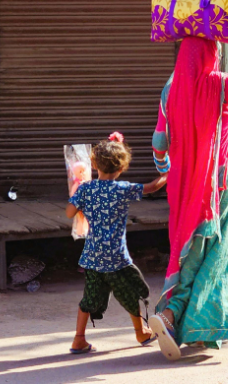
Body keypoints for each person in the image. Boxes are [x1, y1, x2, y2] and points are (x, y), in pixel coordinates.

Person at [149, 20, 228, 361]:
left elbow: (159, 143)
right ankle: (172, 315)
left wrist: (168, 171)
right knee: (214, 254)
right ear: (212, 53)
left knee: (187, 246)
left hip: (181, 185)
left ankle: (174, 319)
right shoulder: (220, 83)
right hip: (214, 184)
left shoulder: (170, 86)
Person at [66, 131, 168, 354]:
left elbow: (69, 212)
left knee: (88, 299)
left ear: (94, 164)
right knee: (129, 293)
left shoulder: (85, 189)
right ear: (122, 168)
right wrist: (167, 174)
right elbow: (152, 187)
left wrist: (79, 197)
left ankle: (78, 339)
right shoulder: (122, 189)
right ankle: (141, 332)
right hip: (116, 259)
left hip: (92, 257)